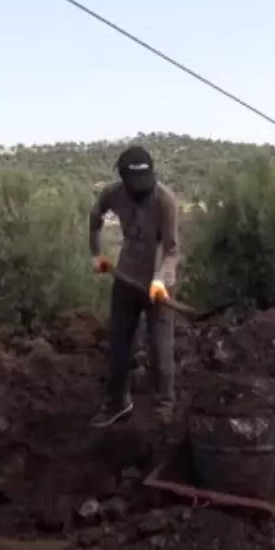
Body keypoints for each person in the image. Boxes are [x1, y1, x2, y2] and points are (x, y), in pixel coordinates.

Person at [88, 145, 181, 427]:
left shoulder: (165, 200)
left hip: (159, 283)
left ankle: (164, 406)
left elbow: (173, 250)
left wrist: (159, 279)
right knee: (118, 344)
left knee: (160, 348)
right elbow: (95, 217)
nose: (140, 191)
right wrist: (95, 253)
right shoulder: (111, 193)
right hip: (126, 277)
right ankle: (118, 402)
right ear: (123, 179)